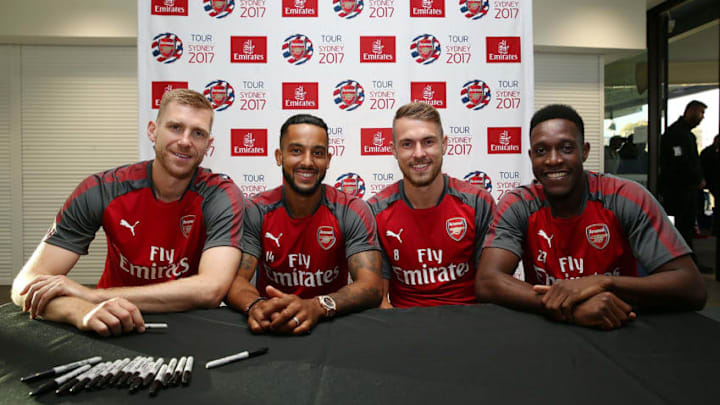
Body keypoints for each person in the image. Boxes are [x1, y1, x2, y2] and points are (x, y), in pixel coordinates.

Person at [11, 89, 244, 336]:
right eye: (175, 127)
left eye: (198, 133)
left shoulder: (221, 195)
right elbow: (24, 284)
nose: (185, 141)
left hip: (189, 324)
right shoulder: (101, 190)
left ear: (208, 144)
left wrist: (93, 296)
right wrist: (80, 310)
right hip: (110, 320)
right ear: (153, 130)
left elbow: (211, 289)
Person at [475, 104, 706, 330]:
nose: (553, 160)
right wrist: (568, 308)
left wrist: (603, 283)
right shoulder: (518, 205)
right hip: (550, 330)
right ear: (530, 156)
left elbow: (692, 287)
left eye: (566, 148)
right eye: (541, 151)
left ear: (584, 151)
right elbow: (487, 281)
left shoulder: (625, 197)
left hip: (617, 325)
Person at [225, 114, 383, 335]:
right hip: (271, 320)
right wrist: (256, 306)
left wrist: (317, 306)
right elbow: (233, 278)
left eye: (317, 153)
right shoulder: (256, 211)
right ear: (279, 156)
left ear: (328, 159)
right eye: (296, 151)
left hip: (330, 323)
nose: (307, 162)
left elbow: (371, 287)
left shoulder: (351, 209)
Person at [368, 102, 495, 308]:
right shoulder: (375, 211)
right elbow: (379, 298)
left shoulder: (478, 203)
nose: (419, 153)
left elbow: (490, 287)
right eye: (407, 144)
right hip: (406, 325)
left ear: (444, 144)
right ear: (394, 150)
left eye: (428, 142)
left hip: (467, 322)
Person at [659, 100, 707, 249]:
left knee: (685, 227)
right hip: (679, 191)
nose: (702, 118)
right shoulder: (678, 134)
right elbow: (682, 161)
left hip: (682, 189)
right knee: (682, 227)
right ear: (691, 111)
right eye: (701, 113)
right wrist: (697, 178)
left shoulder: (682, 133)